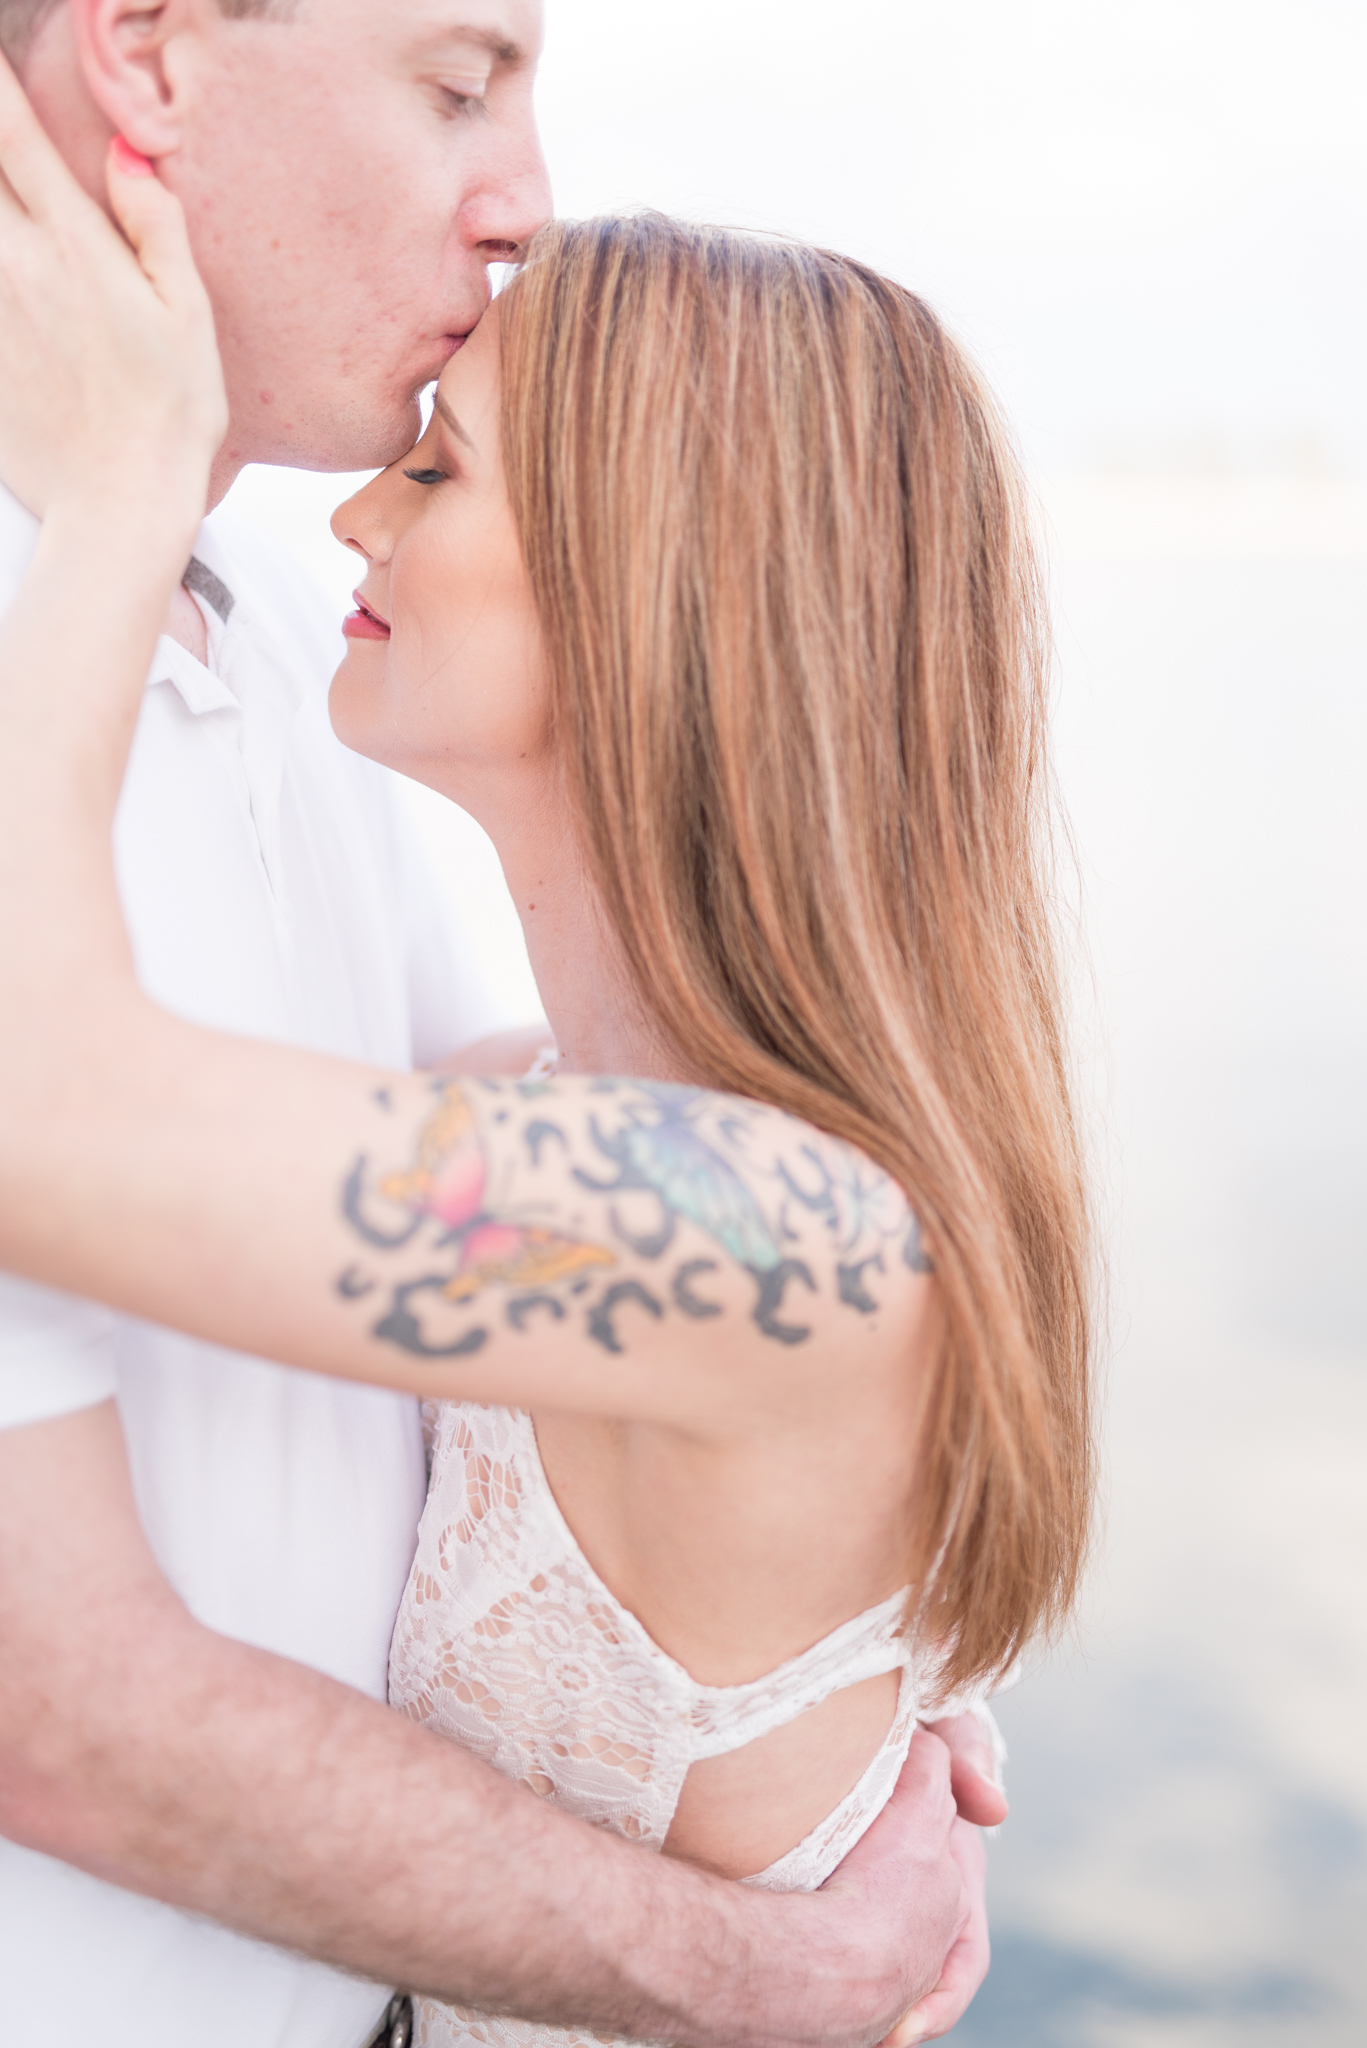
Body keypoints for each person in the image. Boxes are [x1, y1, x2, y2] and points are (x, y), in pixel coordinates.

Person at [0, 38, 1094, 2048]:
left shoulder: (778, 1239)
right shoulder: (574, 1118)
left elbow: (42, 1111)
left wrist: (108, 506)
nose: (347, 529)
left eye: (436, 472)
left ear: (645, 597)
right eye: (456, 80)